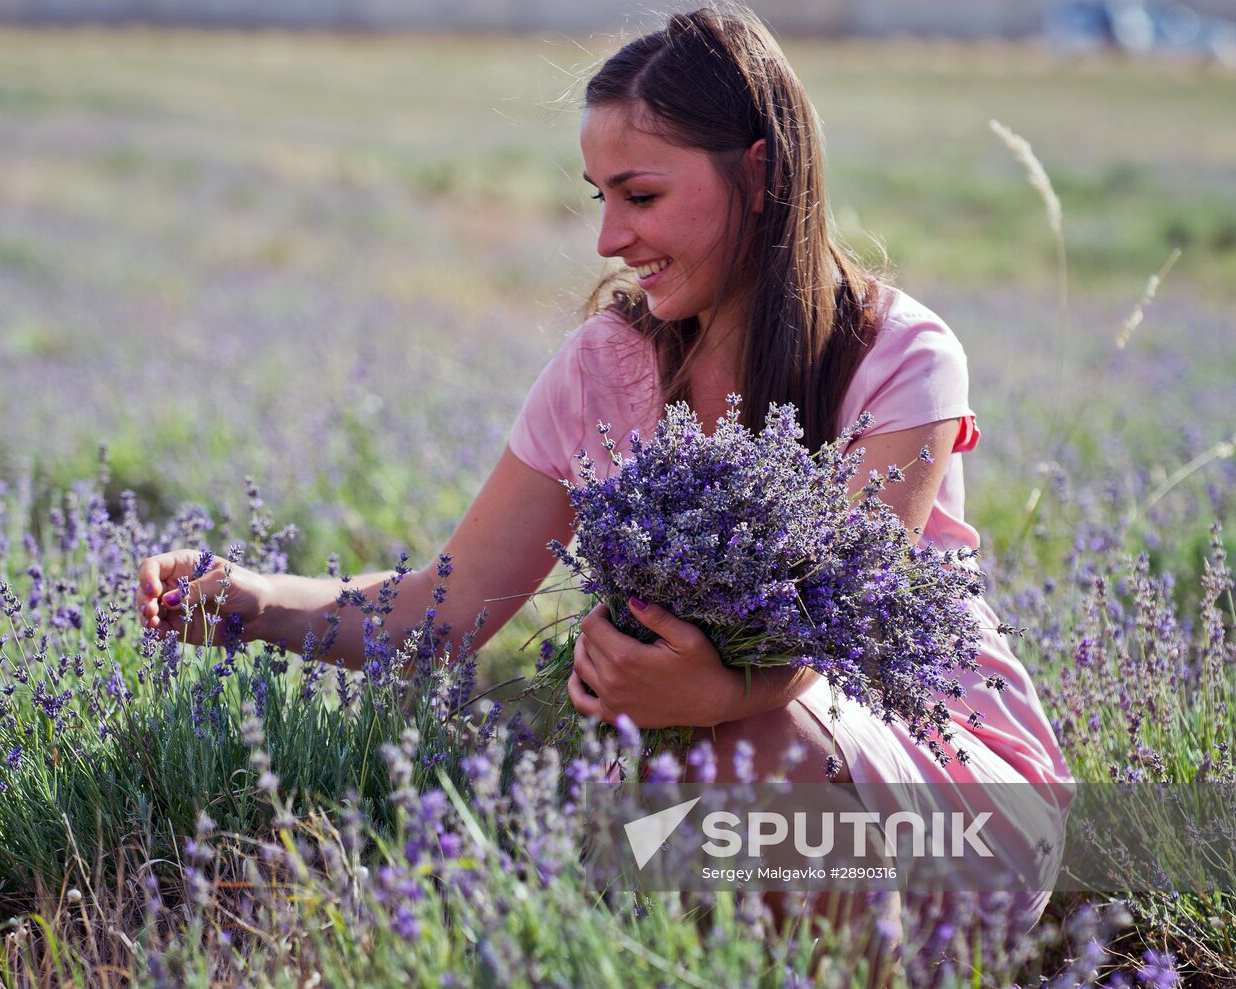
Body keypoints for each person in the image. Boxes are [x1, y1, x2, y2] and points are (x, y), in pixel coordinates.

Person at [136, 2, 1073, 968]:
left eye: (641, 195)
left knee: (749, 742)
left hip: (953, 801)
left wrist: (716, 686)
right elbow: (438, 614)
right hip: (707, 787)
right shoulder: (604, 371)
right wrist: (249, 601)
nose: (608, 239)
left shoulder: (896, 355)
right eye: (600, 198)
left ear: (758, 173)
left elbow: (827, 631)